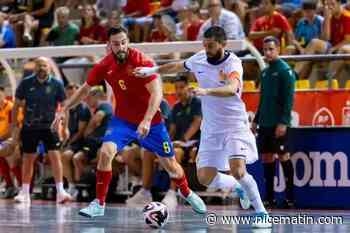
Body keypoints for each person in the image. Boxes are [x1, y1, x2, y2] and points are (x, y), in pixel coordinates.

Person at [52, 26, 206, 218]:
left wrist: (147, 120)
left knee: (171, 165)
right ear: (109, 46)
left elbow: (157, 93)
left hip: (152, 122)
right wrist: (64, 108)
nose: (121, 47)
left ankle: (187, 192)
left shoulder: (142, 61)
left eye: (124, 42)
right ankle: (99, 203)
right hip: (123, 121)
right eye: (116, 44)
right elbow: (84, 89)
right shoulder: (104, 65)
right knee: (106, 152)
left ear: (128, 42)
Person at [135, 26, 271, 228]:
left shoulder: (233, 63)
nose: (207, 49)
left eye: (211, 45)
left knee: (238, 170)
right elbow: (177, 66)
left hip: (234, 125)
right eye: (205, 45)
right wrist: (153, 70)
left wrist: (206, 91)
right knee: (204, 177)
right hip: (211, 128)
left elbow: (232, 88)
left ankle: (261, 213)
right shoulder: (199, 58)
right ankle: (237, 187)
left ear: (223, 44)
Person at [11, 57, 72, 204]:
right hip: (30, 126)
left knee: (55, 157)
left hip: (50, 127)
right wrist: (14, 126)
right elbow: (16, 105)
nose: (41, 68)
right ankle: (25, 192)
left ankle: (60, 192)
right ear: (34, 68)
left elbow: (64, 107)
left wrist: (65, 127)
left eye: (44, 65)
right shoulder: (26, 83)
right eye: (38, 65)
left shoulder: (57, 84)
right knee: (28, 159)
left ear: (49, 67)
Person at [252, 36, 296, 209]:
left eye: (271, 49)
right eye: (265, 50)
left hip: (279, 123)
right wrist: (256, 120)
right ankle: (269, 198)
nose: (268, 53)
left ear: (279, 49)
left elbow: (289, 99)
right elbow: (263, 99)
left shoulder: (285, 71)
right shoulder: (265, 72)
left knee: (284, 157)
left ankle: (290, 198)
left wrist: (284, 122)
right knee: (267, 159)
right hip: (265, 124)